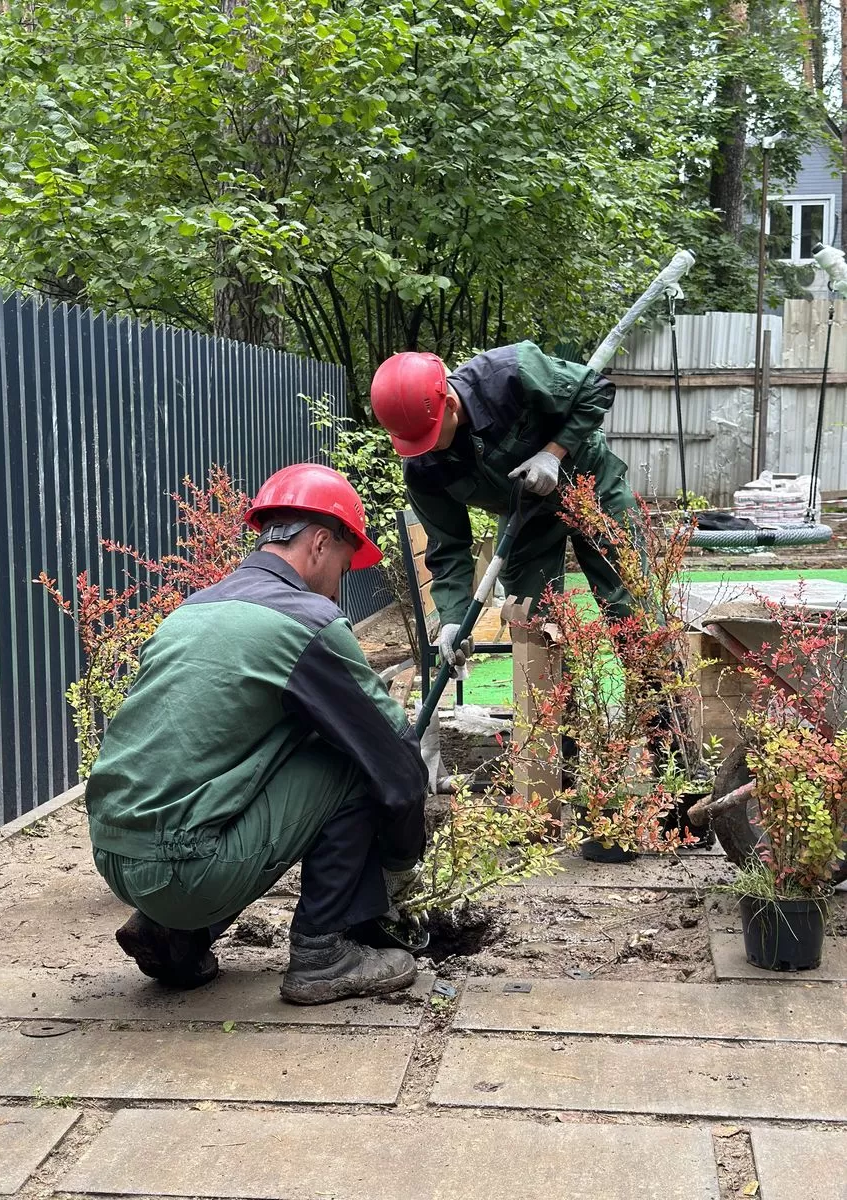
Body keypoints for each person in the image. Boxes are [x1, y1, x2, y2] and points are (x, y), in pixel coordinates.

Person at [84, 463, 428, 1005]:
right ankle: (323, 955)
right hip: (187, 871)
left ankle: (171, 935)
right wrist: (402, 860)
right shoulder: (304, 621)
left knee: (278, 749)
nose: (339, 586)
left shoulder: (196, 609)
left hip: (113, 853)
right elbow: (396, 763)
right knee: (353, 759)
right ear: (319, 543)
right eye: (343, 565)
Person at [370, 343, 638, 673]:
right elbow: (448, 547)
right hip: (527, 517)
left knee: (631, 608)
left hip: (592, 487)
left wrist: (553, 453)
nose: (422, 449)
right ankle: (558, 719)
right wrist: (453, 621)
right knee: (531, 623)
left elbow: (595, 391)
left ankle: (661, 718)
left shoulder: (512, 373)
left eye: (427, 437)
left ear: (450, 405)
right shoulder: (423, 467)